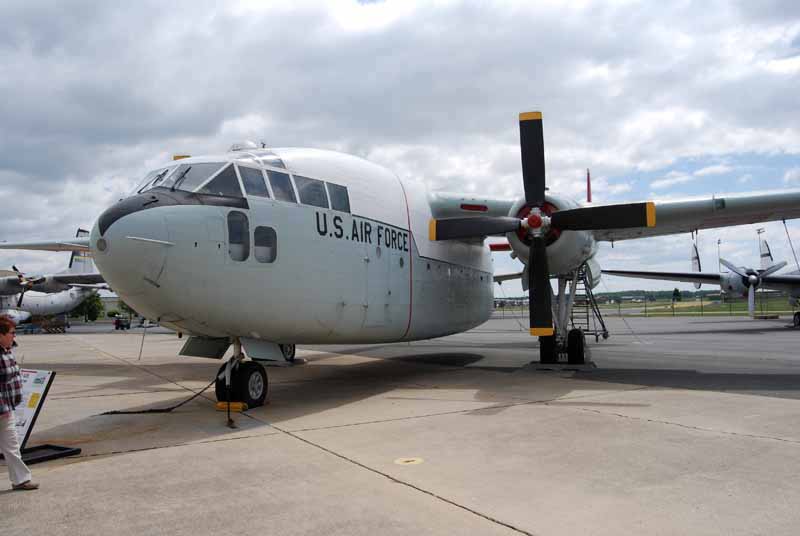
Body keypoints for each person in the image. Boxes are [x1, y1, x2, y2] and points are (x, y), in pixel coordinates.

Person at [0, 315, 38, 491]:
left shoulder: (7, 350)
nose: (14, 336)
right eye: (12, 333)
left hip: (7, 408)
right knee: (11, 444)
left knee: (12, 445)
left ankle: (21, 480)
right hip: (2, 409)